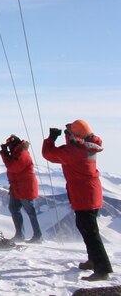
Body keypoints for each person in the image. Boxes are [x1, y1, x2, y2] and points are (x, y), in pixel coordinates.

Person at [42, 119, 112, 282]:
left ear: (78, 135)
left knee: (91, 233)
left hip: (83, 195)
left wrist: (51, 139)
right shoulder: (88, 146)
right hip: (90, 193)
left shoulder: (75, 151)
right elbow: (75, 146)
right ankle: (93, 260)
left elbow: (49, 154)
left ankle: (102, 269)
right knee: (86, 228)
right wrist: (71, 136)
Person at [0, 134, 42, 243]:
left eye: (10, 146)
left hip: (25, 187)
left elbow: (13, 167)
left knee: (30, 211)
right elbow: (12, 165)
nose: (9, 148)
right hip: (18, 187)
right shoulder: (17, 153)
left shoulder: (22, 154)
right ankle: (20, 235)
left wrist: (5, 154)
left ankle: (38, 235)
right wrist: (6, 154)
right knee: (14, 209)